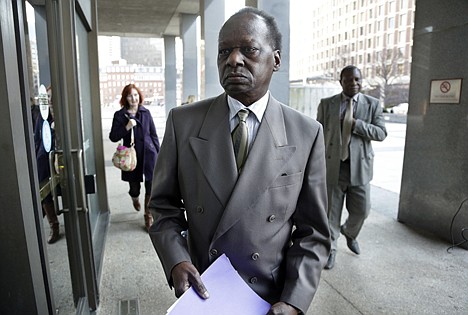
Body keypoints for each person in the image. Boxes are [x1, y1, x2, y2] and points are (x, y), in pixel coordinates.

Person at [148, 7, 330, 315]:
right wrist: (176, 261)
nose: (234, 59)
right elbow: (163, 207)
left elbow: (313, 232)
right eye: (224, 52)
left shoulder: (306, 133)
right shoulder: (183, 122)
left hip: (269, 298)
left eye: (249, 49)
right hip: (202, 291)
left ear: (276, 60)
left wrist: (295, 301)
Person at [317, 65, 387, 270]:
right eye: (348, 80)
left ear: (361, 81)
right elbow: (318, 132)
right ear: (341, 82)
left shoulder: (372, 104)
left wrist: (356, 124)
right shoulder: (327, 104)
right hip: (333, 166)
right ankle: (331, 250)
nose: (353, 83)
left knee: (362, 211)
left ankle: (350, 232)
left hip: (360, 168)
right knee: (331, 214)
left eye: (357, 79)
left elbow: (381, 133)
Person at [109, 83, 160, 231]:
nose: (134, 98)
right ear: (125, 98)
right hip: (131, 156)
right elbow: (113, 136)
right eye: (130, 95)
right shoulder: (120, 115)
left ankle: (148, 216)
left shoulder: (146, 112)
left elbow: (153, 134)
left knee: (151, 185)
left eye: (136, 95)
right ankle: (135, 198)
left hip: (149, 154)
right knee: (134, 187)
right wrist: (127, 127)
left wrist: (160, 153)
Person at [34, 85, 60, 244]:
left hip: (61, 158)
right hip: (44, 158)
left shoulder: (64, 115)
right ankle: (54, 226)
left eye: (52, 97)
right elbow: (38, 138)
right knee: (44, 190)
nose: (50, 100)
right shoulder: (41, 117)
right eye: (48, 97)